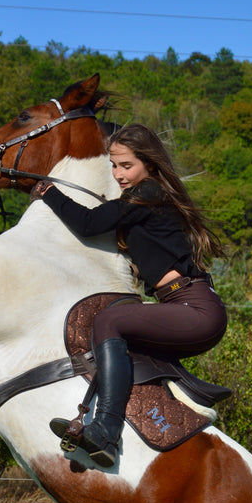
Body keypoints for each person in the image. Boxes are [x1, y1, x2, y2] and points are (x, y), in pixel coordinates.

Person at [32, 123, 227, 468]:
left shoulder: (148, 192)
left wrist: (49, 192)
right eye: (113, 165)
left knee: (110, 320)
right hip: (183, 306)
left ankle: (105, 431)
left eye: (126, 166)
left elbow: (90, 224)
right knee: (117, 346)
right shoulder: (144, 197)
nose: (119, 174)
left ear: (148, 164)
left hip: (195, 309)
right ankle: (122, 427)